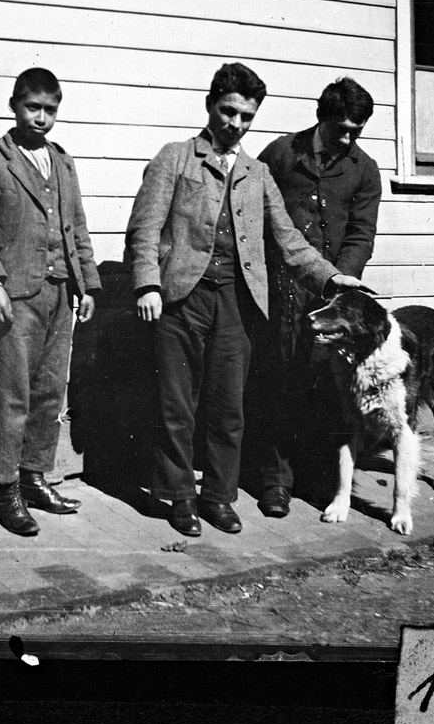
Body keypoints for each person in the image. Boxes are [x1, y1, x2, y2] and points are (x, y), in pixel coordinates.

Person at [125, 62, 369, 538]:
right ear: (210, 105)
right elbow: (144, 228)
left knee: (228, 407)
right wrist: (147, 284)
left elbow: (288, 239)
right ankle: (180, 497)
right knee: (177, 406)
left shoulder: (257, 173)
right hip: (181, 299)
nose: (235, 124)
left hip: (236, 303)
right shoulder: (175, 157)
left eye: (246, 117)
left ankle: (218, 497)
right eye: (228, 111)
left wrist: (332, 276)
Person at [0, 68, 102, 536]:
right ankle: (2, 487)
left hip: (60, 291)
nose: (41, 118)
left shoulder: (62, 161)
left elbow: (77, 226)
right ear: (14, 105)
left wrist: (88, 285)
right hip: (16, 296)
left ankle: (33, 476)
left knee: (48, 392)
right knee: (12, 394)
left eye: (50, 109)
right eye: (32, 108)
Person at [254, 77, 382, 519]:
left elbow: (361, 233)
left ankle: (317, 476)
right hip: (282, 288)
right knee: (280, 378)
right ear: (321, 116)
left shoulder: (364, 169)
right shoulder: (280, 155)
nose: (347, 139)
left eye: (356, 131)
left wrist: (343, 283)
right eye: (340, 129)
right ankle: (276, 480)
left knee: (326, 383)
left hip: (335, 294)